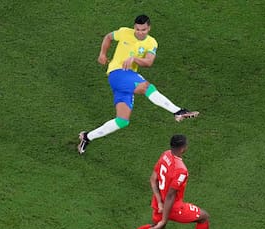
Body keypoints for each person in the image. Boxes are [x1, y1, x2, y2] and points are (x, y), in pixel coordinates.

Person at [78, 15, 199, 154]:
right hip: (118, 73)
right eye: (137, 29)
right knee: (146, 87)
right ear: (134, 27)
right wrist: (102, 54)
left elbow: (148, 62)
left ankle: (87, 137)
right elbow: (108, 37)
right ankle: (178, 111)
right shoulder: (124, 32)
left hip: (127, 80)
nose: (140, 32)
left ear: (149, 28)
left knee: (122, 120)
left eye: (144, 29)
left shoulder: (151, 42)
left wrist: (134, 59)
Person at [109, 134, 217, 229]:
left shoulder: (165, 155)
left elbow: (153, 179)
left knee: (154, 227)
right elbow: (171, 196)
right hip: (173, 207)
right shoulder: (181, 170)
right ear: (183, 149)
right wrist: (165, 220)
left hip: (158, 203)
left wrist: (159, 201)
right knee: (204, 217)